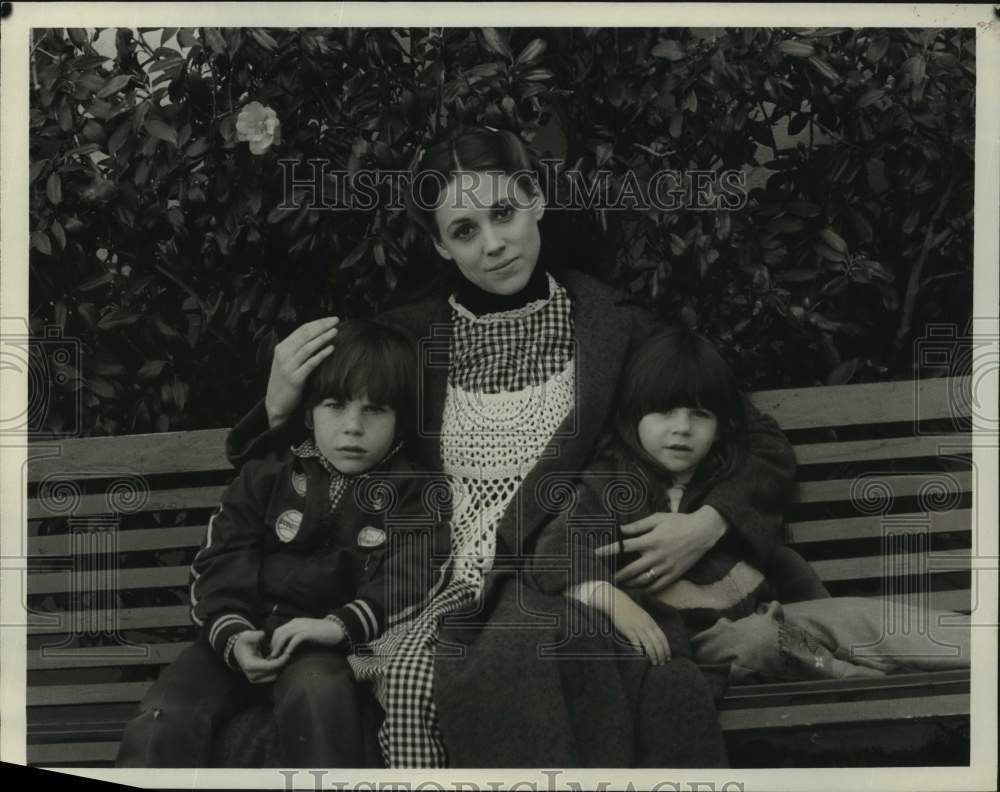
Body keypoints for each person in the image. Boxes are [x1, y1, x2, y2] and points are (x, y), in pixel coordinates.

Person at [227, 127, 797, 768]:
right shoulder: (412, 342)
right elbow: (322, 444)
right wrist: (276, 407)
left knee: (542, 660)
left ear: (536, 201)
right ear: (442, 246)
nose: (494, 244)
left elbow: (759, 439)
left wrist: (706, 523)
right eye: (465, 230)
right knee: (423, 682)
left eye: (504, 213)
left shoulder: (614, 330)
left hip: (566, 571)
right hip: (434, 577)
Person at [539, 326, 970, 691]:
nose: (682, 429)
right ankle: (858, 680)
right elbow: (552, 554)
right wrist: (615, 604)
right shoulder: (609, 481)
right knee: (761, 641)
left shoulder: (727, 470)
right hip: (699, 640)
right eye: (664, 412)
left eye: (699, 415)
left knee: (858, 616)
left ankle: (977, 646)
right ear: (631, 416)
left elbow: (772, 473)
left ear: (721, 424)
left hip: (775, 615)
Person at [116, 320, 443, 768]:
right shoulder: (266, 474)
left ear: (400, 420)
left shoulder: (411, 490)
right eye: (336, 405)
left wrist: (337, 625)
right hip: (235, 640)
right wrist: (231, 634)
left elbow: (413, 574)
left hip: (322, 646)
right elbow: (221, 557)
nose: (353, 427)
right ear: (308, 413)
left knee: (322, 704)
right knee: (161, 720)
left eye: (376, 410)